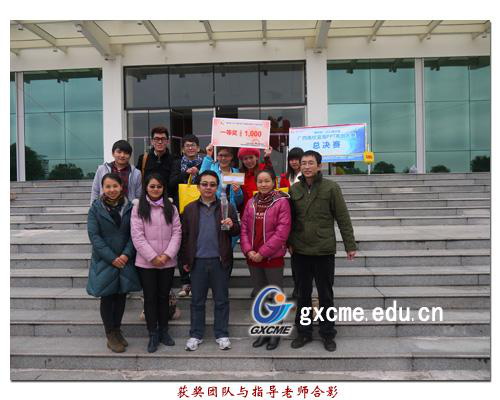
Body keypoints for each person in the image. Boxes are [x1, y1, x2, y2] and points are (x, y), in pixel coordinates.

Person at [288, 150, 357, 352]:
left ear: (319, 166)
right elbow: (289, 219)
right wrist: (289, 242)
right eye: (303, 163)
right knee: (303, 294)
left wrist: (350, 245)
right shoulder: (294, 189)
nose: (307, 166)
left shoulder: (331, 188)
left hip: (323, 250)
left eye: (311, 163)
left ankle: (327, 333)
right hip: (300, 250)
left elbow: (343, 217)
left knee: (325, 295)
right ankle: (304, 332)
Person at [180, 170, 240, 351]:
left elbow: (236, 231)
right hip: (197, 261)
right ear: (198, 187)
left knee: (221, 300)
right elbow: (184, 237)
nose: (208, 187)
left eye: (212, 184)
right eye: (204, 184)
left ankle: (221, 334)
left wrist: (231, 225)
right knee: (197, 301)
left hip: (219, 261)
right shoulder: (189, 209)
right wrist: (185, 260)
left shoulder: (226, 207)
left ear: (217, 187)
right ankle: (195, 334)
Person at [86, 173, 141, 353]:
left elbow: (135, 233)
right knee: (108, 297)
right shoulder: (96, 209)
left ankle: (117, 330)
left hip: (124, 259)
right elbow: (94, 236)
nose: (111, 190)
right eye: (107, 187)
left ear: (121, 187)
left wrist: (125, 255)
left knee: (121, 296)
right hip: (105, 260)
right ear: (102, 188)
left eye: (115, 186)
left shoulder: (130, 207)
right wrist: (112, 258)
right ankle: (110, 333)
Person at [240, 169, 291, 351]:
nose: (263, 184)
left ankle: (275, 331)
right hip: (253, 257)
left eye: (267, 181)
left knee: (274, 295)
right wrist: (248, 250)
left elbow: (282, 231)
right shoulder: (251, 202)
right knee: (260, 294)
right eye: (260, 181)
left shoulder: (281, 202)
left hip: (272, 257)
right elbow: (244, 228)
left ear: (273, 182)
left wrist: (262, 252)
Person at [131, 173, 182, 353]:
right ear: (146, 187)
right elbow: (137, 236)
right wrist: (153, 257)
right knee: (150, 297)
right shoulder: (138, 208)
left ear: (163, 188)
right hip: (146, 263)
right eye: (152, 186)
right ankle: (153, 333)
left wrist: (167, 255)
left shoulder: (171, 208)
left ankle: (164, 331)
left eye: (159, 186)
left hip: (167, 262)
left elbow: (177, 233)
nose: (155, 189)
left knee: (163, 297)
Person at [169, 134, 205, 298]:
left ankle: (197, 280)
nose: (190, 148)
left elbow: (211, 181)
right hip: (182, 209)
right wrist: (186, 173)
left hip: (202, 208)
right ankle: (185, 281)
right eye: (187, 145)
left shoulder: (205, 162)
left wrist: (199, 173)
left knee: (199, 243)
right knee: (183, 244)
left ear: (198, 148)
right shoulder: (177, 163)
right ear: (183, 149)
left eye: (193, 145)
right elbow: (171, 183)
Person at [90, 140, 142, 204]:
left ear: (130, 155)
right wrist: (93, 207)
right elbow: (95, 191)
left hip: (128, 208)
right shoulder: (102, 169)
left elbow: (138, 195)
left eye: (126, 153)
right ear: (113, 153)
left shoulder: (136, 173)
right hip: (105, 208)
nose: (122, 155)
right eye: (119, 152)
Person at [200, 144, 243, 211]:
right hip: (212, 209)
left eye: (226, 155)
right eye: (220, 155)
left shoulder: (236, 172)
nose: (223, 158)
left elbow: (239, 202)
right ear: (217, 157)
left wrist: (237, 192)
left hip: (229, 211)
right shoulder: (211, 169)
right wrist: (208, 155)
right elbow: (201, 176)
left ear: (231, 157)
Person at [238, 146, 274, 213]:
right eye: (245, 158)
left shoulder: (263, 168)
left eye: (251, 157)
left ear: (256, 157)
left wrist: (267, 157)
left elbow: (272, 176)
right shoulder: (239, 173)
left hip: (264, 210)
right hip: (246, 211)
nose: (249, 161)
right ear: (242, 161)